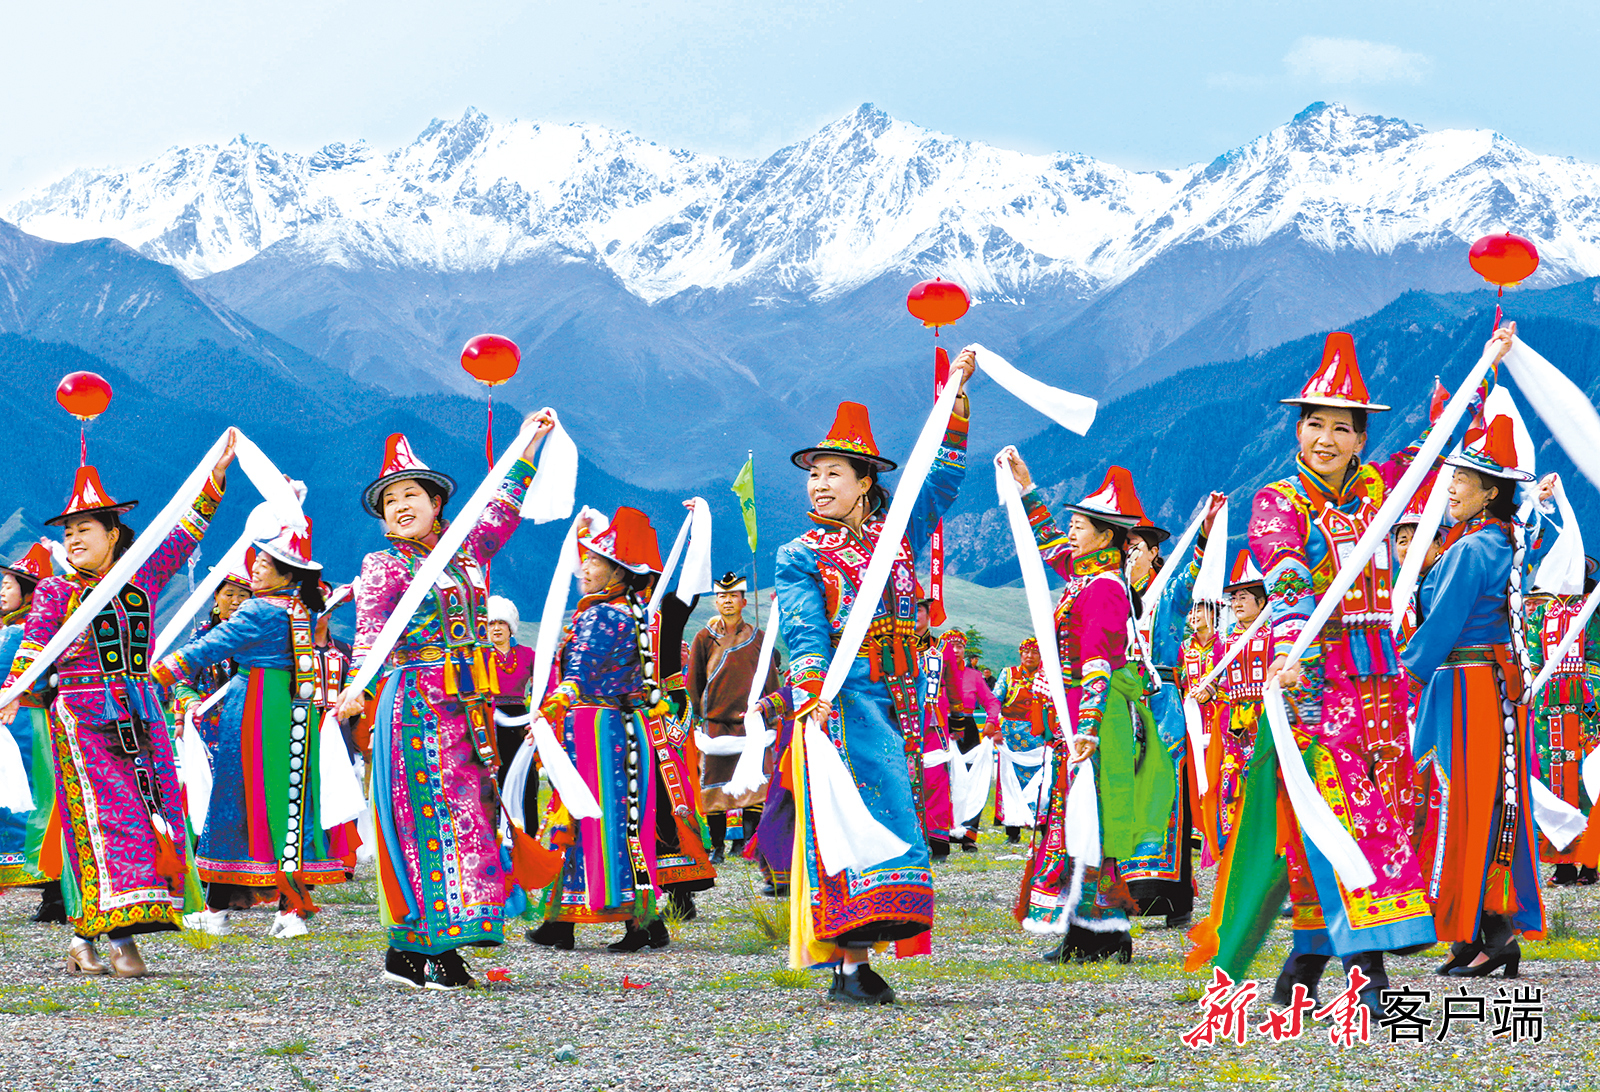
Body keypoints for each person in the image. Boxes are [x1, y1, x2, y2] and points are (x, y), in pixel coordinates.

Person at [1226, 330, 1439, 1015]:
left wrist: (1484, 375)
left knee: (1385, 808)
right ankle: (1368, 972)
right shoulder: (1279, 501)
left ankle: (1301, 966)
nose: (1325, 438)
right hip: (1317, 680)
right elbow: (1288, 580)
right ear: (1298, 429)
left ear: (1360, 440)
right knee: (1345, 815)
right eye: (1314, 423)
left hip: (1383, 679)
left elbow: (1433, 455)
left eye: (1341, 428)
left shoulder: (1378, 491)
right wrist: (1294, 653)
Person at [777, 350, 975, 1005]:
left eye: (833, 473)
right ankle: (848, 965)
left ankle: (857, 962)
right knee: (848, 820)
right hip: (843, 703)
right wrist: (812, 693)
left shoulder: (896, 536)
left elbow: (938, 485)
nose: (819, 485)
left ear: (865, 482)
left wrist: (955, 406)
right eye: (813, 475)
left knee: (893, 816)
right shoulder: (800, 555)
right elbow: (804, 630)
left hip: (903, 703)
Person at [1, 439, 239, 977]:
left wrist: (216, 479)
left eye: (84, 528)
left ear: (113, 534)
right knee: (107, 821)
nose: (73, 538)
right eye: (68, 531)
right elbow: (35, 647)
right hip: (84, 714)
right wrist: (13, 689)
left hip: (142, 711)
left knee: (154, 817)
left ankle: (89, 937)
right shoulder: (55, 592)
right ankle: (121, 941)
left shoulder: (140, 581)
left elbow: (184, 534)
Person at [333, 422, 554, 990]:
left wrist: (528, 445)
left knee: (472, 818)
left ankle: (418, 951)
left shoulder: (466, 553)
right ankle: (431, 948)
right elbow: (370, 634)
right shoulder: (383, 566)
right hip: (416, 706)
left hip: (468, 708)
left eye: (411, 494)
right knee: (429, 822)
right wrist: (357, 687)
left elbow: (502, 509)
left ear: (437, 504)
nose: (400, 506)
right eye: (390, 501)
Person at [1406, 379, 1559, 979]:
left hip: (1462, 688)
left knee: (1462, 801)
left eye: (1462, 480)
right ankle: (1475, 932)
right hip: (1486, 687)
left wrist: (1401, 670)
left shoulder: (1472, 551)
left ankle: (1487, 933)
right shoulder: (1504, 540)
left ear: (1490, 491)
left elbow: (1441, 624)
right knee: (1487, 801)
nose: (1450, 488)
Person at [1002, 458, 1172, 964]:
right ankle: (1093, 930)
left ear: (1104, 536)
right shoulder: (1087, 577)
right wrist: (1027, 489)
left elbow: (1098, 663)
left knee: (1091, 818)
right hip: (1079, 716)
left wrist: (1088, 730)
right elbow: (1050, 547)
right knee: (1079, 819)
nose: (1070, 534)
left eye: (1078, 527)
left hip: (1097, 719)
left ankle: (1099, 932)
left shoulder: (1103, 589)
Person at [154, 524, 354, 938]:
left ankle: (215, 911)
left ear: (286, 573)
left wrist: (158, 671)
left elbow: (211, 646)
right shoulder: (301, 608)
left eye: (264, 563)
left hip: (255, 710)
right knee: (291, 804)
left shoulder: (258, 611)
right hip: (296, 711)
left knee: (234, 803)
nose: (256, 569)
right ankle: (291, 910)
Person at [526, 506, 698, 952]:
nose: (583, 568)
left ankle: (637, 923)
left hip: (595, 729)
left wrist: (549, 709)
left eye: (593, 561)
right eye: (584, 559)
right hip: (619, 727)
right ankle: (567, 921)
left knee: (590, 820)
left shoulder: (601, 617)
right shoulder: (629, 612)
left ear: (617, 573)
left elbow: (579, 673)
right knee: (618, 821)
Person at [685, 571, 780, 863]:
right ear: (716, 602)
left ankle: (747, 844)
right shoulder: (704, 638)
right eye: (722, 596)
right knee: (714, 785)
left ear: (743, 601)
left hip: (751, 722)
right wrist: (697, 715)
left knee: (754, 784)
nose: (727, 601)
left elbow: (770, 678)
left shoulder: (758, 638)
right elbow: (694, 680)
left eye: (733, 596)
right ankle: (717, 846)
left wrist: (771, 710)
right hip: (715, 724)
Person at [1525, 555, 1600, 886]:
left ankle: (1591, 860)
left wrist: (1589, 690)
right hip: (1549, 709)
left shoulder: (1592, 609)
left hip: (1587, 707)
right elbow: (1532, 657)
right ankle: (1564, 862)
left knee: (1588, 779)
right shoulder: (1540, 613)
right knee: (1554, 782)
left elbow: (1596, 654)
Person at [0, 544, 59, 921]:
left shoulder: (27, 632)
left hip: (28, 725)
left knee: (38, 801)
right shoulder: (8, 628)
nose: (2, 591)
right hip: (10, 724)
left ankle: (53, 885)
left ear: (27, 591)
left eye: (8, 584)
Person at [169, 552, 255, 751]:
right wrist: (192, 707)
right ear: (216, 596)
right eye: (229, 594)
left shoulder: (258, 638)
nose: (236, 601)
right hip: (211, 730)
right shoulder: (202, 637)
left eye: (243, 595)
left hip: (253, 727)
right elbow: (184, 684)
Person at [1178, 600, 1225, 864]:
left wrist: (1212, 690)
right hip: (1191, 719)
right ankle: (1197, 830)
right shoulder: (1184, 647)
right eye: (1192, 610)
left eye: (1200, 610)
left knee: (1216, 773)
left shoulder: (1224, 645)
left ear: (1214, 614)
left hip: (1217, 717)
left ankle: (1215, 833)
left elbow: (1230, 677)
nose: (1194, 615)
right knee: (1193, 774)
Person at [991, 638, 1051, 842]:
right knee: (1010, 782)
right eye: (1026, 652)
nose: (1029, 656)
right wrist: (995, 727)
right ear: (1020, 654)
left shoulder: (1048, 676)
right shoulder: (1008, 674)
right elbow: (995, 701)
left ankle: (1043, 828)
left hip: (1039, 739)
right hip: (1011, 739)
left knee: (1042, 782)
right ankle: (1013, 831)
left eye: (1034, 652)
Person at [913, 597, 955, 860]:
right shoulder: (891, 645)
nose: (914, 614)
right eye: (909, 608)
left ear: (929, 615)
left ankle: (938, 838)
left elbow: (953, 683)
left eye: (919, 609)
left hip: (933, 722)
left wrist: (959, 717)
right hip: (899, 719)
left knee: (935, 777)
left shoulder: (942, 648)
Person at [485, 595, 536, 809]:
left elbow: (546, 682)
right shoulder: (479, 656)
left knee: (526, 775)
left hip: (520, 720)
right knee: (494, 775)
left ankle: (527, 824)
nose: (496, 628)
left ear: (510, 628)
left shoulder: (527, 654)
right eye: (491, 624)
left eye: (501, 623)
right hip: (488, 720)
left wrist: (539, 710)